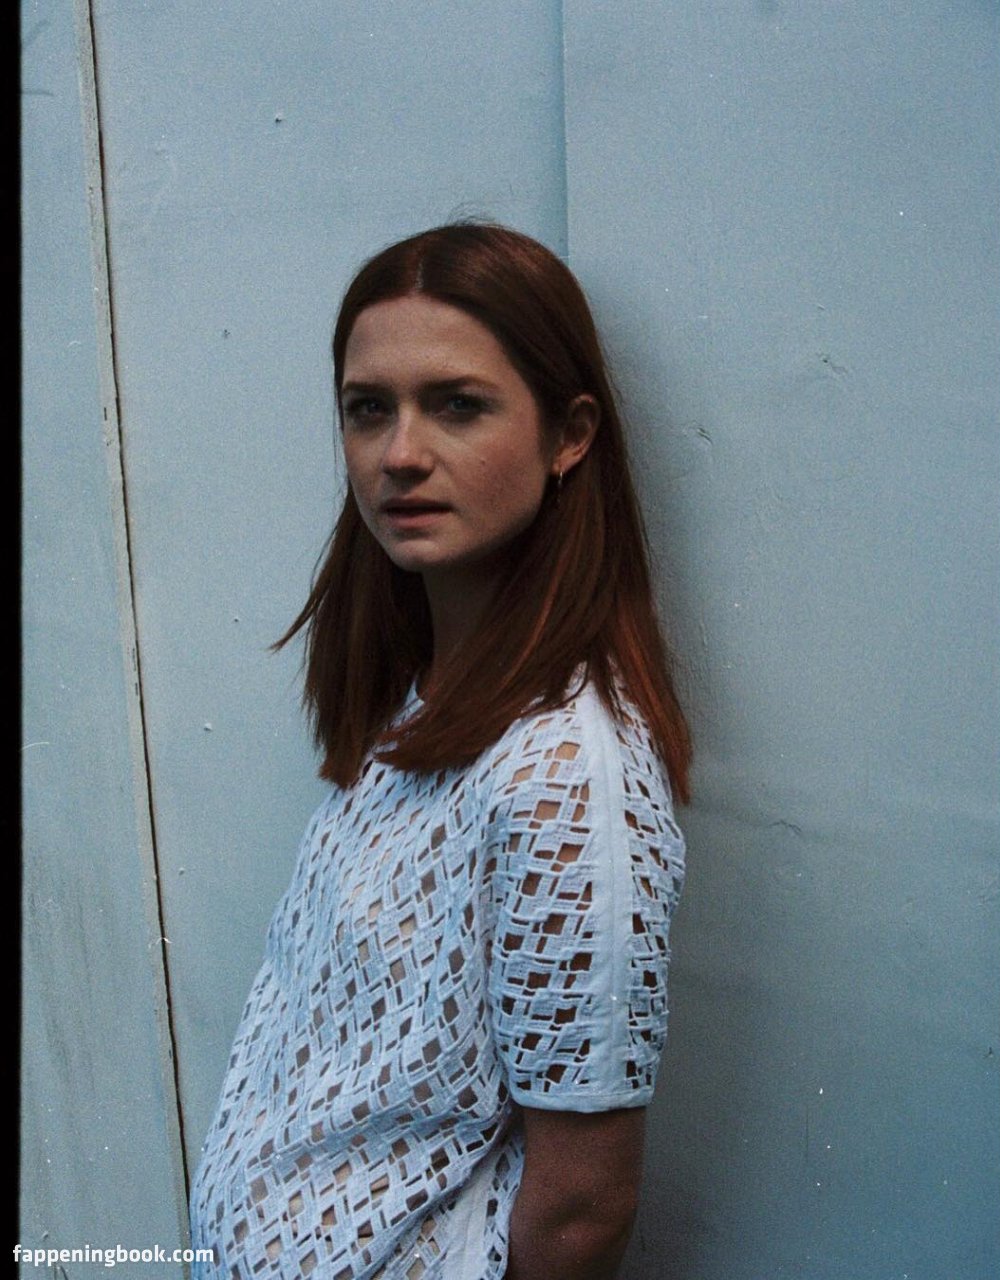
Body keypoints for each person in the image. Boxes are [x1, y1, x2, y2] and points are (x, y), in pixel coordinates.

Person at [189, 221, 691, 1280]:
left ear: (569, 435)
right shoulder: (421, 698)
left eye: (457, 405)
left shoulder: (563, 775)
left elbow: (582, 1208)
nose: (399, 454)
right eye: (368, 408)